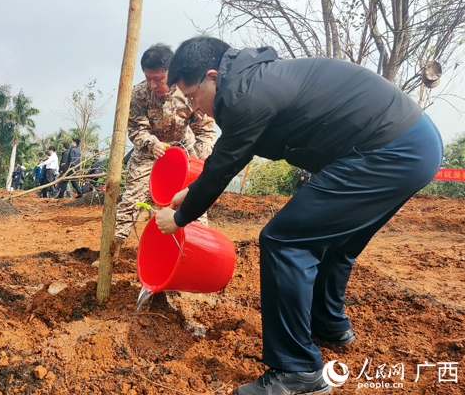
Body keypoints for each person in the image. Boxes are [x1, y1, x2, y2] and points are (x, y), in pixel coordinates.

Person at [155, 36, 443, 395]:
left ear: (212, 76)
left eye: (193, 95)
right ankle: (329, 324)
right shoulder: (255, 78)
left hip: (388, 149)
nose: (196, 108)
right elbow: (226, 161)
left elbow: (223, 167)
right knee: (334, 244)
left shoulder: (241, 94)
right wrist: (188, 195)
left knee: (284, 241)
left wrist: (180, 219)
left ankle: (297, 370)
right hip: (416, 143)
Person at [97, 44, 217, 268]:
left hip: (184, 152)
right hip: (150, 152)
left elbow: (206, 130)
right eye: (149, 78)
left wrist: (200, 160)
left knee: (195, 201)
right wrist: (151, 144)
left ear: (170, 72)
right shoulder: (139, 94)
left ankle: (201, 255)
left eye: (159, 79)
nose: (154, 85)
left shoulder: (188, 90)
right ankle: (111, 255)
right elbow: (135, 129)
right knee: (131, 200)